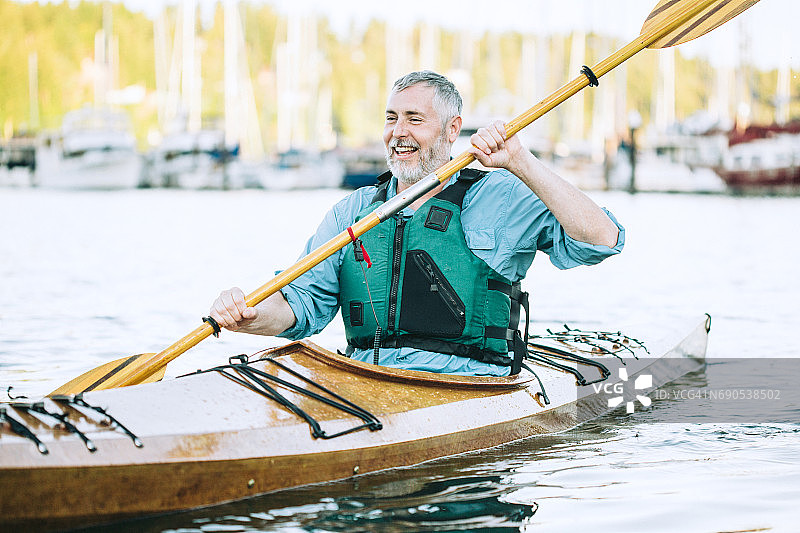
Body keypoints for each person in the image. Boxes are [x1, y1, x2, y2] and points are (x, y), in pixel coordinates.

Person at [209, 70, 624, 377]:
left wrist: (521, 162)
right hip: (366, 380)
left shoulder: (503, 197)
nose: (398, 132)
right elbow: (302, 305)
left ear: (452, 130)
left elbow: (601, 240)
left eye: (414, 118)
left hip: (468, 385)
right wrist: (249, 314)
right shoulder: (350, 212)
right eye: (391, 118)